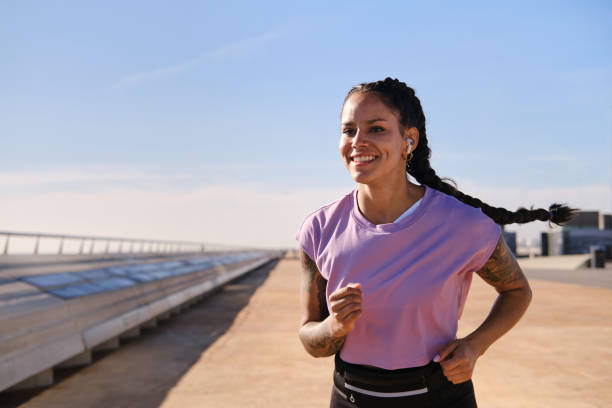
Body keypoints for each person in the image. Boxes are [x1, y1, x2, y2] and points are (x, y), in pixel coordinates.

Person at [295, 77, 578, 408]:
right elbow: (310, 339)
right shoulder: (319, 229)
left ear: (408, 140)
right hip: (350, 397)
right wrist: (335, 326)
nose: (358, 141)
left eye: (376, 129)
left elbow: (517, 291)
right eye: (348, 130)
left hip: (438, 397)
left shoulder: (463, 224)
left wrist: (475, 346)